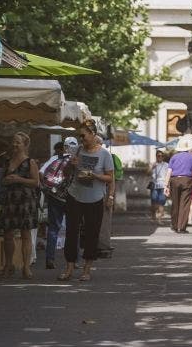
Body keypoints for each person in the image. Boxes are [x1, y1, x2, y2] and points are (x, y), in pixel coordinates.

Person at [57, 120, 114, 282]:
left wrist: (95, 176)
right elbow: (66, 173)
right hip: (75, 196)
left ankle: (87, 270)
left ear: (93, 134)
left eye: (83, 135)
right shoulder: (77, 150)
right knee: (71, 233)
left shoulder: (104, 154)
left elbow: (110, 177)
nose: (81, 139)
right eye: (79, 136)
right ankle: (69, 268)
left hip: (95, 198)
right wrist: (71, 164)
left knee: (91, 234)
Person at [0, 132, 40, 279]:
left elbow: (36, 182)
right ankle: (8, 265)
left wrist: (18, 179)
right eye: (13, 142)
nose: (15, 145)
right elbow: (1, 181)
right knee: (8, 234)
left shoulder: (30, 162)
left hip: (25, 201)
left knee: (25, 235)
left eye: (18, 142)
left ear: (25, 145)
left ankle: (26, 267)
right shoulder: (7, 161)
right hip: (10, 201)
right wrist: (7, 181)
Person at [39, 137, 78, 269]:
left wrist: (48, 188)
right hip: (72, 198)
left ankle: (50, 259)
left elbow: (41, 172)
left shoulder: (55, 158)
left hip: (55, 197)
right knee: (73, 230)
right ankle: (75, 260)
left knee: (53, 229)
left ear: (64, 147)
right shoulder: (78, 160)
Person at [164, 135, 192, 233]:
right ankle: (182, 227)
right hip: (187, 180)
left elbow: (169, 172)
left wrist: (166, 185)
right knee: (185, 204)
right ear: (187, 149)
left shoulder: (174, 157)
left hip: (174, 180)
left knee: (175, 203)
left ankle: (174, 226)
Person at [148, 150, 168, 222]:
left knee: (161, 202)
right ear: (156, 156)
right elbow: (147, 173)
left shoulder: (166, 165)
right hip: (154, 185)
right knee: (154, 202)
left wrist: (168, 186)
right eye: (158, 156)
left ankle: (160, 219)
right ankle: (153, 216)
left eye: (161, 156)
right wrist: (152, 168)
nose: (160, 157)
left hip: (163, 185)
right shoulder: (153, 164)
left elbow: (168, 175)